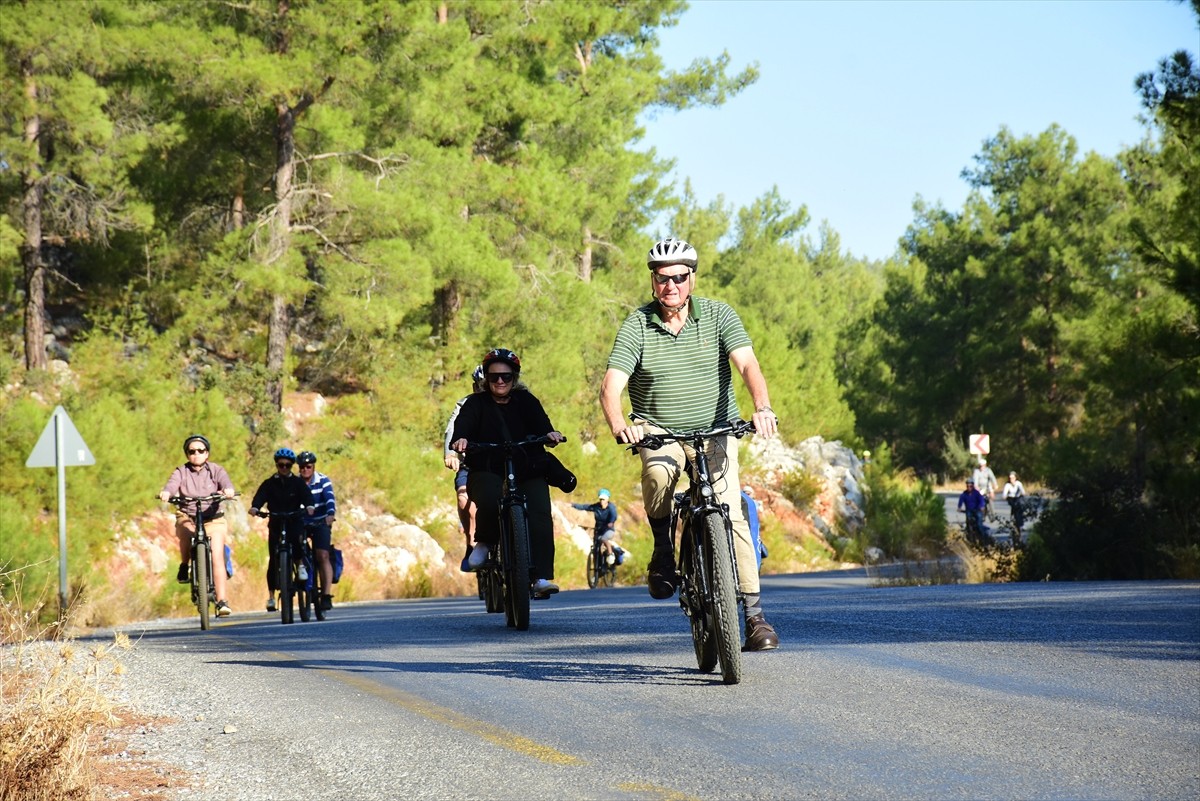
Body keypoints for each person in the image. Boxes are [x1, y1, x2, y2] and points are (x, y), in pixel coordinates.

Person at [599, 237, 782, 652]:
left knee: (732, 512)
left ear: (692, 279)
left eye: (680, 278)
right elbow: (611, 387)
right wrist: (618, 425)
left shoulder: (719, 315)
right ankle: (663, 550)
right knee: (657, 473)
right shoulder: (637, 324)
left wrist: (763, 407)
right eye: (663, 279)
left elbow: (748, 364)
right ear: (653, 281)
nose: (671, 286)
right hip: (658, 430)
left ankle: (753, 617)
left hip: (716, 430)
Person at [450, 348, 567, 600]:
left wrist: (551, 434)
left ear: (514, 377)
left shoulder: (527, 401)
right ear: (486, 380)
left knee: (539, 510)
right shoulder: (475, 403)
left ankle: (540, 577)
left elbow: (543, 426)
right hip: (488, 466)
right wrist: (461, 440)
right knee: (489, 497)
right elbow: (463, 427)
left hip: (527, 467)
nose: (500, 381)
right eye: (494, 377)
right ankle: (484, 542)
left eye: (506, 376)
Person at [159, 434, 237, 617]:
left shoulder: (216, 470)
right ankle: (185, 565)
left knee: (217, 555)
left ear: (207, 453)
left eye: (200, 450)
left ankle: (222, 601)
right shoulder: (181, 471)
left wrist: (228, 490)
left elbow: (226, 482)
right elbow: (172, 485)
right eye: (192, 451)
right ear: (187, 454)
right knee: (186, 533)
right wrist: (167, 492)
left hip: (213, 518)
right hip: (189, 515)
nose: (196, 454)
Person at [249, 447, 312, 613]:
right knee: (273, 559)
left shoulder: (297, 483)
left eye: (287, 465)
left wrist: (310, 506)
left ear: (292, 465)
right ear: (276, 465)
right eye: (280, 465)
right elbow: (260, 497)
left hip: (294, 519)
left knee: (298, 542)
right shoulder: (269, 483)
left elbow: (307, 496)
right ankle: (271, 597)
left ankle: (300, 566)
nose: (284, 468)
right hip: (276, 521)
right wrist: (255, 508)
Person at [445, 365, 485, 572]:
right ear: (475, 386)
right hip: (470, 462)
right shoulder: (465, 404)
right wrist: (451, 454)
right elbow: (451, 429)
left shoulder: (511, 403)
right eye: (483, 384)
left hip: (502, 461)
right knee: (463, 498)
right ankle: (471, 543)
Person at [297, 450, 336, 612]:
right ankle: (301, 576)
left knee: (323, 555)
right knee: (296, 550)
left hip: (320, 521)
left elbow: (330, 499)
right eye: (302, 467)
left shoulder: (323, 481)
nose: (305, 470)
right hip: (301, 522)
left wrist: (330, 515)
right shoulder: (295, 483)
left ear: (313, 467)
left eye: (308, 466)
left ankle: (326, 595)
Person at [572, 488, 619, 564]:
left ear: (607, 499)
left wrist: (611, 522)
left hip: (608, 530)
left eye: (603, 499)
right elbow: (585, 507)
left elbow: (614, 516)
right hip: (598, 529)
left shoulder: (611, 507)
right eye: (600, 499)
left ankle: (610, 554)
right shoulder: (596, 507)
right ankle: (598, 569)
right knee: (595, 548)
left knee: (604, 538)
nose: (601, 501)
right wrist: (574, 505)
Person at [741, 486, 768, 573]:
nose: (746, 494)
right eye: (745, 492)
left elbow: (762, 517)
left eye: (749, 493)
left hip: (754, 529)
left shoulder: (756, 504)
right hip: (745, 527)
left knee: (755, 548)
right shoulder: (741, 501)